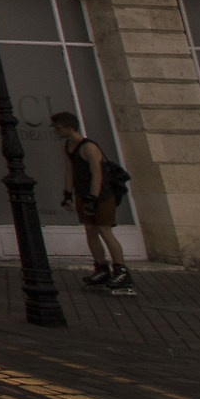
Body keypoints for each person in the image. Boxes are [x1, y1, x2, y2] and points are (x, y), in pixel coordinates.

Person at [53, 110, 132, 293]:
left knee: (104, 230)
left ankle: (121, 270)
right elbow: (70, 171)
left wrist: (93, 198)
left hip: (101, 195)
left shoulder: (88, 147)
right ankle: (101, 267)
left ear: (70, 127)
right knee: (90, 231)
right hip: (83, 193)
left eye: (59, 128)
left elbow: (98, 174)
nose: (57, 132)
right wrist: (67, 194)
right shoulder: (67, 146)